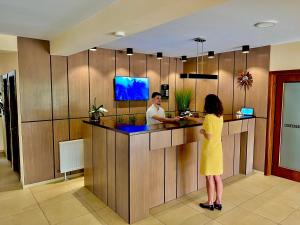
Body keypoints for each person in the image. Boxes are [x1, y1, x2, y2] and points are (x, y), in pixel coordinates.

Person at [186, 94, 224, 211]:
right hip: (217, 150)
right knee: (217, 177)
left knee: (209, 178)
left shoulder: (208, 117)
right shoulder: (220, 116)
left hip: (209, 151)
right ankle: (218, 201)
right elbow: (203, 120)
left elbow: (209, 135)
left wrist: (202, 131)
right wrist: (191, 118)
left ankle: (210, 202)